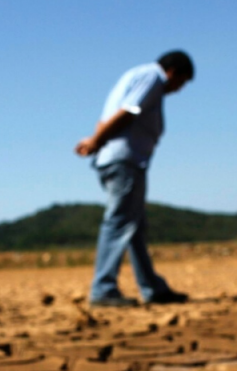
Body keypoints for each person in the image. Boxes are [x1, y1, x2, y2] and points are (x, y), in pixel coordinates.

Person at [75, 50, 194, 307]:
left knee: (134, 227)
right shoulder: (152, 77)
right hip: (125, 161)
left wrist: (97, 140)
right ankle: (103, 289)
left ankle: (153, 288)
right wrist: (97, 140)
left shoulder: (133, 75)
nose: (179, 89)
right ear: (173, 72)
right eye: (181, 82)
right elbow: (128, 111)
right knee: (118, 223)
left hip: (118, 159)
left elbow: (105, 117)